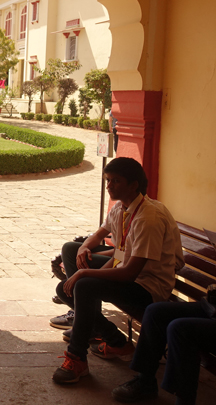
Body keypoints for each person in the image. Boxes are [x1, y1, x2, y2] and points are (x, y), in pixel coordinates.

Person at [52, 157, 183, 385]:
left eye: (116, 181)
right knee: (66, 287)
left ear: (133, 185)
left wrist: (83, 274)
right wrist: (84, 252)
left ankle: (77, 357)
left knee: (82, 285)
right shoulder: (122, 209)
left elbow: (129, 272)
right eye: (108, 180)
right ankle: (116, 341)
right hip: (128, 275)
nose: (109, 186)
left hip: (149, 287)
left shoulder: (148, 217)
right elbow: (114, 250)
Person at [111, 292, 216, 404]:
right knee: (155, 311)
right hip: (212, 307)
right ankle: (146, 382)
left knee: (180, 329)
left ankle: (185, 401)